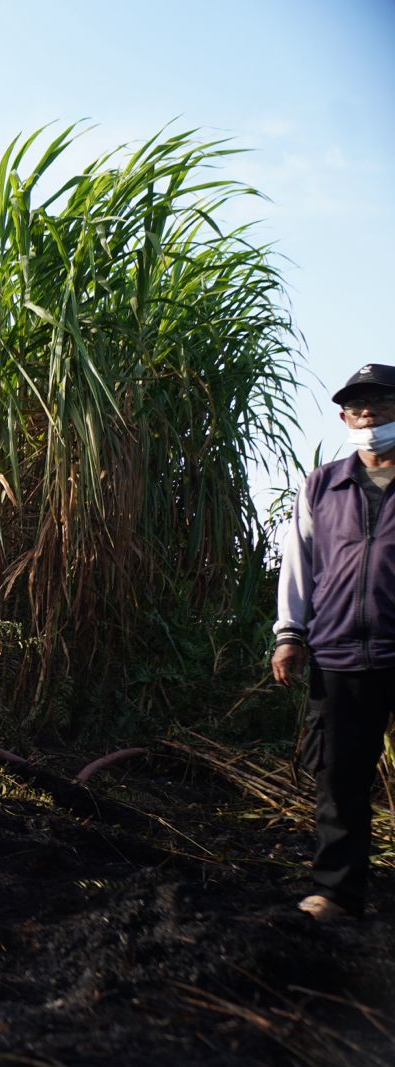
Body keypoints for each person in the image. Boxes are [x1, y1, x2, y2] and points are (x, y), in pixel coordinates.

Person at [273, 363, 395, 923]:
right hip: (340, 652)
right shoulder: (323, 485)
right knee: (340, 780)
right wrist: (290, 634)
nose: (367, 414)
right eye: (357, 406)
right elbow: (299, 562)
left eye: (379, 403)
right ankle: (338, 894)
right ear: (344, 416)